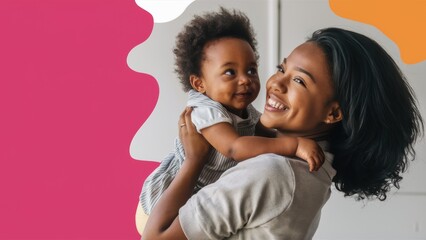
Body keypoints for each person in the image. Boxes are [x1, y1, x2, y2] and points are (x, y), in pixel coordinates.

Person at [139, 27, 424, 239]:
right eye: (281, 69)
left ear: (334, 113)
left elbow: (155, 237)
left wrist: (193, 161)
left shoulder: (272, 171)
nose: (275, 83)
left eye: (299, 80)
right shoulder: (315, 167)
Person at [136, 7, 324, 234]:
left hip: (199, 195)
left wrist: (270, 127)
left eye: (251, 70)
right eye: (230, 73)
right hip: (161, 203)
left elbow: (259, 140)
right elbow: (235, 148)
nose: (245, 80)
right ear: (199, 84)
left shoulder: (242, 107)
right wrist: (294, 145)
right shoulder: (205, 111)